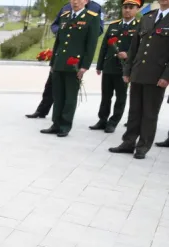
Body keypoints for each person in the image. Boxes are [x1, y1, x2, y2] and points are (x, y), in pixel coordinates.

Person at [110, 0, 169, 158]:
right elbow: (134, 46)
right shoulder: (147, 17)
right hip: (138, 71)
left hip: (156, 75)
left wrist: (166, 76)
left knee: (149, 113)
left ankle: (143, 146)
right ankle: (128, 142)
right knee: (134, 111)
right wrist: (127, 70)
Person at [26, 0, 103, 119]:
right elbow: (56, 24)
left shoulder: (95, 8)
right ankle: (43, 110)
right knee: (51, 86)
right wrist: (61, 31)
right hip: (61, 56)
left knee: (69, 92)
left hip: (75, 56)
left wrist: (78, 35)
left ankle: (64, 121)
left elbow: (98, 30)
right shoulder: (67, 7)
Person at [91, 0, 141, 134]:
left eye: (131, 8)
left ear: (137, 10)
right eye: (125, 7)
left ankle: (113, 122)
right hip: (109, 66)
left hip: (124, 69)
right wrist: (100, 65)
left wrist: (128, 55)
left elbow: (141, 48)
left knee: (120, 97)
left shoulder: (139, 26)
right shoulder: (113, 25)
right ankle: (102, 120)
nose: (127, 10)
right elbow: (104, 47)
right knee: (105, 96)